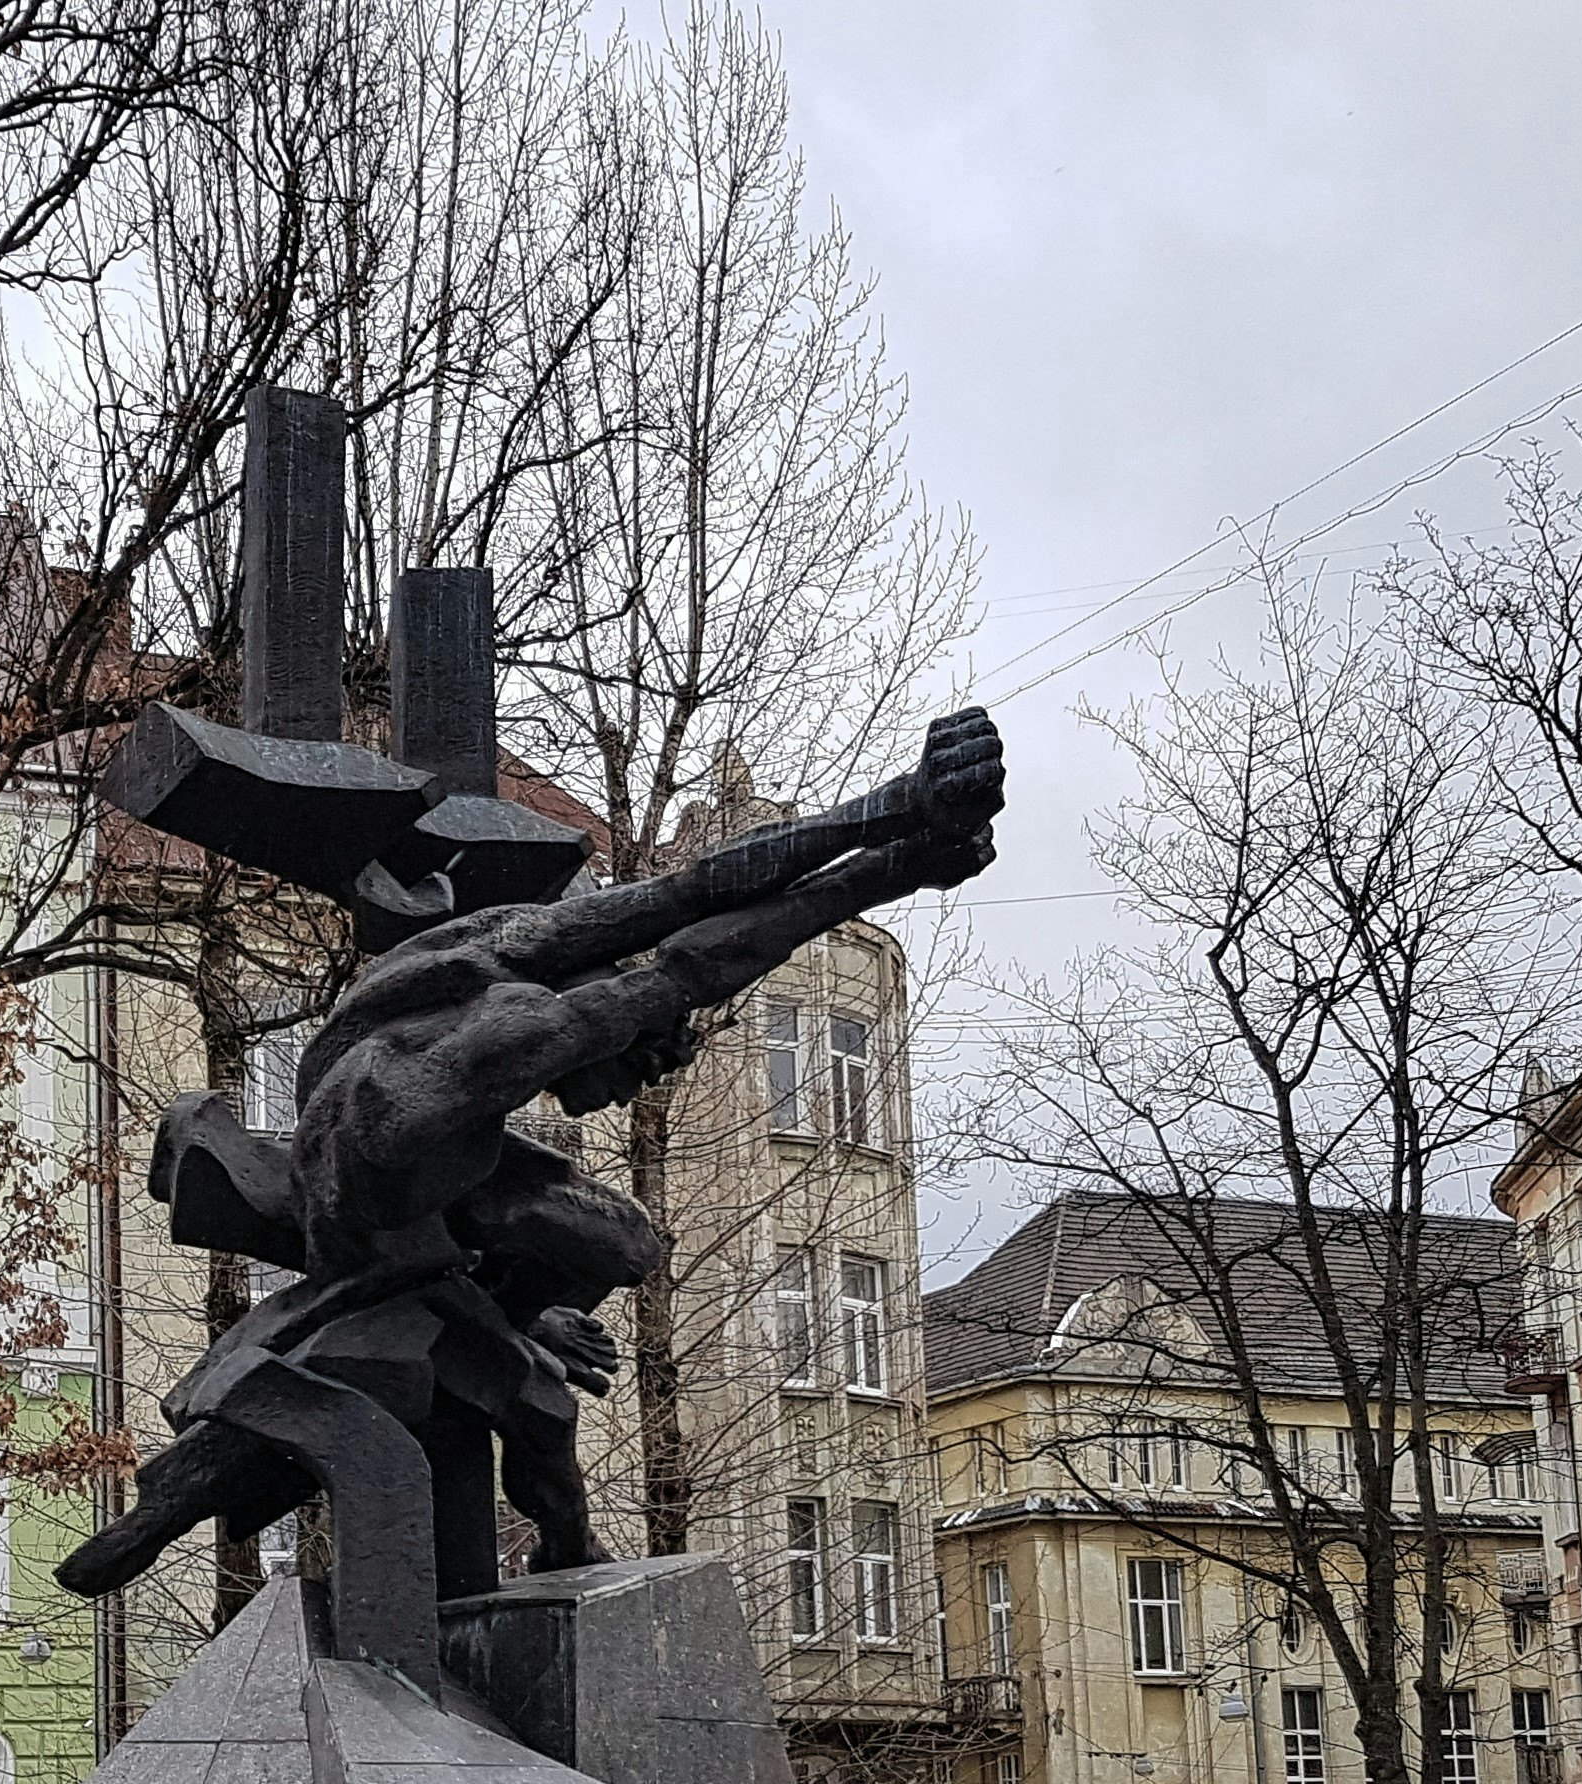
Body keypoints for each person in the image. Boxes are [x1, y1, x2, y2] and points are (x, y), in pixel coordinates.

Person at [63, 710, 1004, 1677]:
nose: (632, 1088)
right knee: (539, 1390)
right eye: (645, 1064)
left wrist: (894, 831)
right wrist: (894, 851)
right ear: (614, 1030)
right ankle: (180, 1514)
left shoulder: (470, 955)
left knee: (603, 1263)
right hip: (389, 1242)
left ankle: (186, 1514)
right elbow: (704, 955)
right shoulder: (525, 1039)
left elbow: (685, 894)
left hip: (382, 1200)